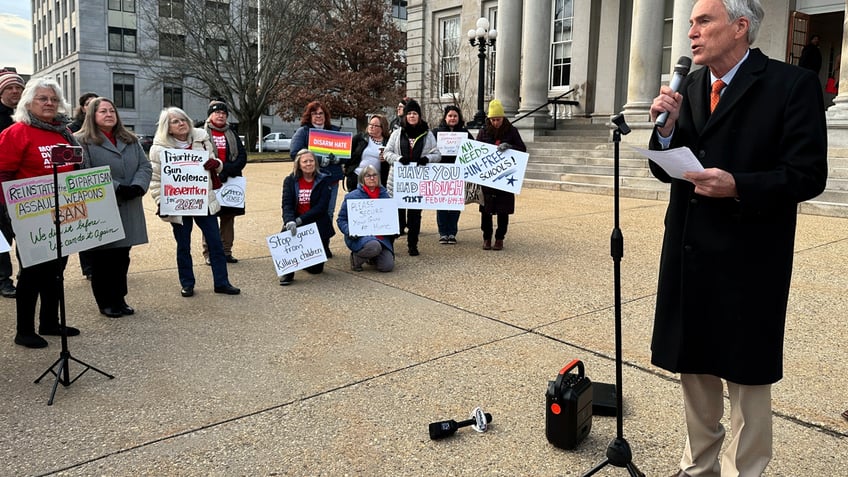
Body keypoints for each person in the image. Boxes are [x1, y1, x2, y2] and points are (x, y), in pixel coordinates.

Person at [647, 1, 828, 476]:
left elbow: (808, 175)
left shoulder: (792, 85)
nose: (692, 32)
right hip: (689, 251)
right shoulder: (689, 85)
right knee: (696, 370)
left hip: (750, 257)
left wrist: (739, 185)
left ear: (740, 27)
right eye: (690, 23)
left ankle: (741, 472)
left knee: (747, 378)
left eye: (703, 21)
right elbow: (664, 166)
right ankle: (698, 466)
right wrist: (664, 132)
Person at [0, 77, 82, 348]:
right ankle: (24, 330)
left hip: (64, 214)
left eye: (53, 99)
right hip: (30, 218)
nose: (49, 103)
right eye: (42, 99)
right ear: (28, 103)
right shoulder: (17, 132)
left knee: (57, 270)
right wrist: (13, 214)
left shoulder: (62, 132)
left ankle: (49, 322)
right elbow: (3, 174)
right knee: (32, 273)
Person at [148, 107, 240, 298]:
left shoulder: (202, 139)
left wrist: (218, 165)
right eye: (175, 121)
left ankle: (222, 282)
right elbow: (155, 180)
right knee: (183, 246)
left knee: (215, 243)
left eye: (183, 119)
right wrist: (160, 202)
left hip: (203, 200)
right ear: (168, 128)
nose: (181, 123)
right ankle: (187, 283)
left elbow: (214, 161)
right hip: (178, 204)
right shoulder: (159, 149)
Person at [75, 97, 151, 317]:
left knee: (122, 256)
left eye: (111, 111)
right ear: (92, 115)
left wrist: (138, 186)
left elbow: (145, 166)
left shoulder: (130, 139)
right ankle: (105, 301)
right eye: (102, 111)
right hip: (103, 205)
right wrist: (117, 187)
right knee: (103, 258)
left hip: (129, 204)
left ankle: (119, 298)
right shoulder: (81, 140)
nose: (108, 114)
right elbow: (84, 172)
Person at [383, 99, 440, 256]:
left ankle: (413, 244)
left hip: (418, 181)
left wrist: (427, 159)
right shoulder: (397, 133)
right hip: (397, 181)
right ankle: (390, 244)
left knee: (415, 214)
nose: (412, 116)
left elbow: (437, 154)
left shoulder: (428, 135)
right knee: (395, 213)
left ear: (419, 116)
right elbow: (387, 153)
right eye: (409, 113)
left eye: (415, 113)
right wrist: (398, 159)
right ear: (405, 116)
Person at [289, 101, 343, 257]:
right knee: (311, 212)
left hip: (330, 180)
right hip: (310, 181)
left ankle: (324, 244)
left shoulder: (334, 132)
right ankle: (310, 245)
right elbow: (294, 153)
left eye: (321, 113)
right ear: (309, 116)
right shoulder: (303, 132)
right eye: (315, 113)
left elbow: (347, 156)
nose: (318, 116)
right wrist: (317, 158)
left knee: (328, 212)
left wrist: (338, 158)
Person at [279, 149, 335, 286]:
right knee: (286, 235)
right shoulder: (290, 181)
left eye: (311, 161)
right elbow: (287, 204)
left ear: (316, 163)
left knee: (316, 270)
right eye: (305, 161)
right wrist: (290, 221)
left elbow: (322, 207)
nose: (308, 164)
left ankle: (305, 260)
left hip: (317, 222)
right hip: (296, 222)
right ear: (298, 164)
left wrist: (300, 220)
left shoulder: (324, 180)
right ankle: (287, 272)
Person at [475, 99, 526, 251]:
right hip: (488, 178)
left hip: (504, 178)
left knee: (503, 211)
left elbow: (522, 149)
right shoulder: (483, 131)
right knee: (486, 210)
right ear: (489, 119)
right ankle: (486, 237)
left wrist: (510, 147)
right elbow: (477, 151)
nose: (496, 122)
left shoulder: (512, 131)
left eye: (498, 119)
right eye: (493, 120)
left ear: (503, 118)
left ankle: (499, 238)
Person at [201, 101, 246, 265]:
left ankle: (226, 251)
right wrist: (216, 173)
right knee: (209, 217)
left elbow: (242, 157)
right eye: (217, 112)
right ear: (210, 115)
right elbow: (198, 158)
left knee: (228, 218)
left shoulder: (232, 133)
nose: (220, 115)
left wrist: (225, 170)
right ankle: (209, 253)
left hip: (230, 181)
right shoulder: (201, 133)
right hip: (209, 181)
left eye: (223, 113)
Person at [336, 165, 394, 273]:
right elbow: (341, 219)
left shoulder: (385, 196)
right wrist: (349, 230)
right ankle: (356, 259)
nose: (372, 178)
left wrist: (393, 227)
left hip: (380, 237)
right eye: (368, 176)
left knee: (387, 266)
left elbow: (390, 218)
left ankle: (372, 256)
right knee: (374, 246)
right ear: (362, 178)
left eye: (374, 175)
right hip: (358, 236)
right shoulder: (352, 196)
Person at [432, 105, 473, 245]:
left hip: (458, 173)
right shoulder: (436, 133)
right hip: (441, 173)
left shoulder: (465, 134)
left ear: (459, 118)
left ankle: (452, 232)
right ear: (445, 117)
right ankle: (443, 233)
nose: (452, 118)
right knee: (442, 203)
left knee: (455, 204)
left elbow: (474, 150)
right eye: (450, 116)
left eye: (455, 116)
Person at [0, 68, 24, 299]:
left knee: (26, 236)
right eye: (10, 87)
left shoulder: (28, 115)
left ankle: (25, 276)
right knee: (2, 239)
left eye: (18, 87)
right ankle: (3, 279)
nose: (15, 91)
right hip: (1, 189)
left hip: (25, 189)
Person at [69, 91, 98, 280]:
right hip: (82, 183)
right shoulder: (72, 129)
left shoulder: (104, 127)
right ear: (82, 107)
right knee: (85, 227)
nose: (92, 106)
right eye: (89, 103)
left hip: (100, 184)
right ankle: (88, 267)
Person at [345, 114, 390, 192]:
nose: (371, 127)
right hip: (357, 177)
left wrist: (386, 159)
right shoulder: (361, 138)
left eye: (375, 125)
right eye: (370, 124)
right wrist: (347, 169)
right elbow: (347, 152)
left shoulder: (388, 142)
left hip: (376, 181)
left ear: (382, 128)